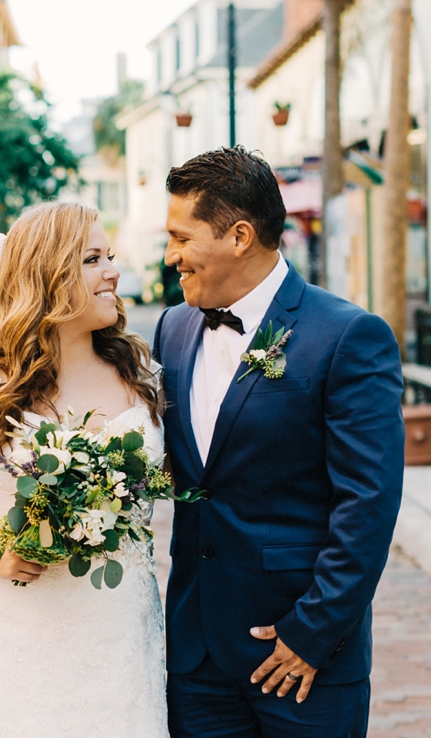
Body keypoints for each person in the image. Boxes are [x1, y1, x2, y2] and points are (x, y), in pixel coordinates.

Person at [154, 145, 404, 738]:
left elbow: (367, 505)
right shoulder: (172, 327)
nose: (171, 258)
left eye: (181, 238)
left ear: (239, 235)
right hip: (195, 655)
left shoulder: (347, 336)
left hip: (302, 658)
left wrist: (312, 633)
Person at [0, 201, 169, 737]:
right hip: (6, 633)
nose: (113, 272)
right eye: (93, 259)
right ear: (47, 274)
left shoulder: (137, 374)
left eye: (110, 256)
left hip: (115, 628)